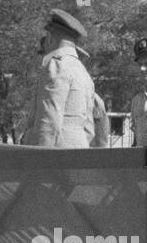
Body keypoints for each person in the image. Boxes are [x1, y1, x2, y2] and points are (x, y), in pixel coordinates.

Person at [23, 9, 95, 149]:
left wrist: (38, 159)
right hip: (79, 152)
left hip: (54, 157)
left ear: (50, 37)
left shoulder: (56, 65)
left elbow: (49, 122)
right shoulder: (83, 72)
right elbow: (89, 128)